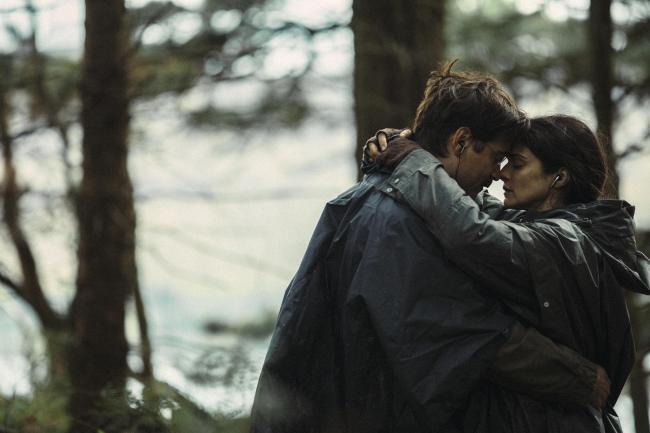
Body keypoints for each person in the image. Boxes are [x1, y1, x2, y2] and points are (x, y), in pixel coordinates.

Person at [250, 64, 610, 433]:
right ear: (461, 143)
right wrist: (581, 380)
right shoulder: (401, 221)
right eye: (497, 157)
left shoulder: (376, 200)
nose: (496, 173)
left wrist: (403, 153)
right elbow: (468, 333)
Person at [365, 114, 650, 432]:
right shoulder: (543, 226)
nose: (501, 173)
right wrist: (403, 145)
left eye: (516, 164)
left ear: (559, 177)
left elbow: (470, 231)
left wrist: (412, 159)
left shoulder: (564, 241)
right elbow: (472, 205)